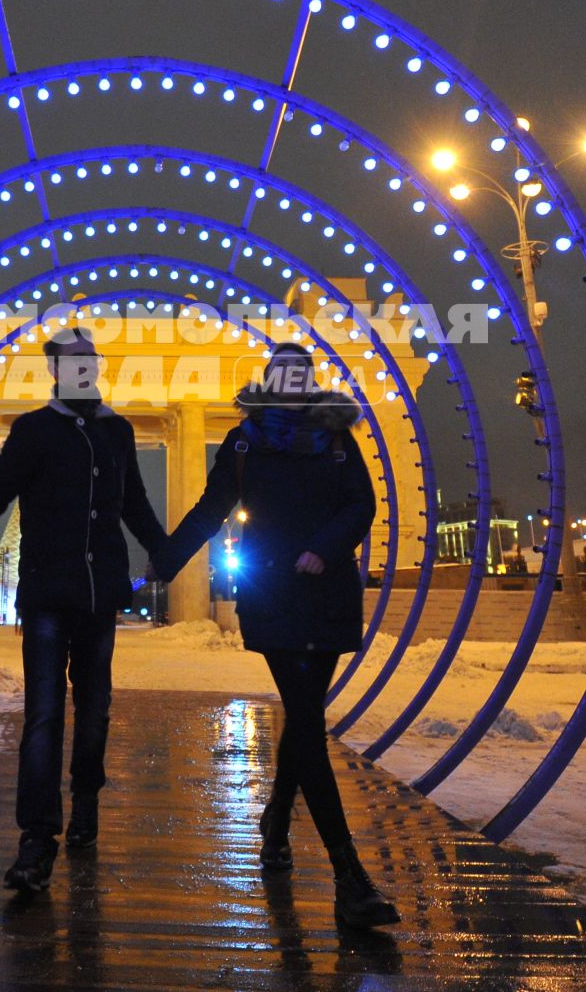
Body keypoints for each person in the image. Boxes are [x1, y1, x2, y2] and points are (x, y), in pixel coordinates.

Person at [150, 341, 401, 929]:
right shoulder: (246, 441)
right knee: (307, 719)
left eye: (301, 372)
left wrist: (325, 548)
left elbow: (361, 504)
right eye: (282, 372)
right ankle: (349, 878)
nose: (292, 380)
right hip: (274, 593)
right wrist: (161, 563)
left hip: (327, 590)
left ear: (310, 380)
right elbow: (212, 508)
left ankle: (276, 820)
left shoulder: (338, 435)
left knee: (306, 714)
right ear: (268, 381)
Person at [0, 327, 165, 891]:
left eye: (90, 358)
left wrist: (166, 551)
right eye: (73, 360)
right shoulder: (33, 430)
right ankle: (36, 838)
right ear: (54, 368)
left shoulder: (117, 431)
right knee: (44, 713)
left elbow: (136, 506)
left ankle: (85, 798)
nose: (84, 367)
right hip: (46, 594)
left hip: (99, 595)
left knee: (97, 708)